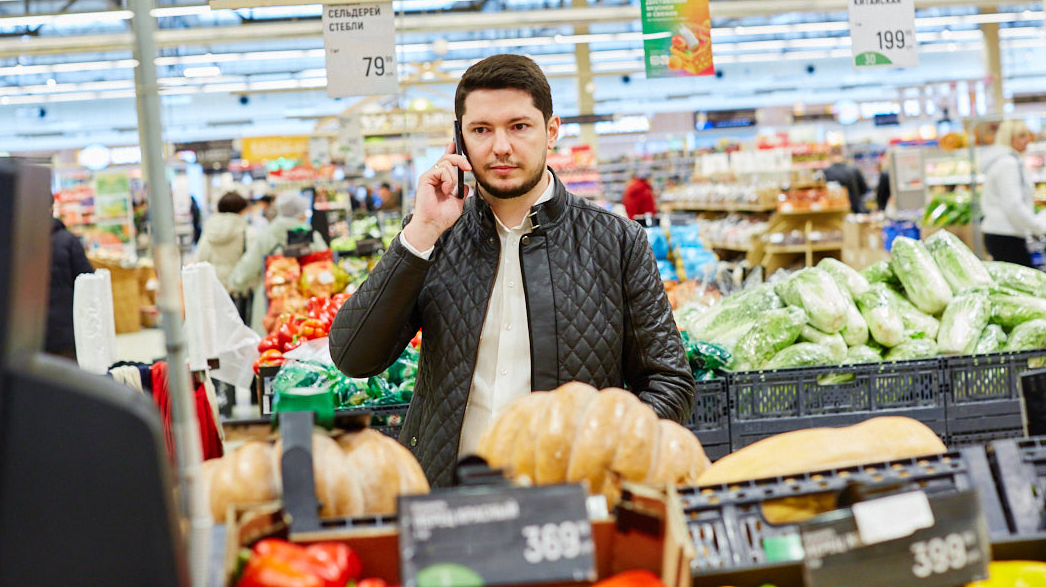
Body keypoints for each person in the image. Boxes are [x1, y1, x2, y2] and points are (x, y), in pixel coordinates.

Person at [329, 54, 695, 487]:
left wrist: (604, 455)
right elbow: (354, 356)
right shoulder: (436, 236)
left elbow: (670, 381)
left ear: (551, 131)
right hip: (447, 500)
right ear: (459, 141)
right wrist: (422, 231)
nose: (500, 146)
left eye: (519, 126)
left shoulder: (617, 242)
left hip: (566, 504)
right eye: (481, 130)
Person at [228, 190, 326, 334]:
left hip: (271, 303)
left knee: (272, 349)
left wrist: (235, 284)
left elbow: (248, 267)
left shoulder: (267, 235)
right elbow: (326, 265)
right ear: (301, 212)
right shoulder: (311, 235)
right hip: (306, 303)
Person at [980, 120, 1046, 266]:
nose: (1027, 140)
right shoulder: (1008, 164)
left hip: (1001, 234)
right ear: (1009, 138)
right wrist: (1039, 227)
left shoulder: (1004, 162)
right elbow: (1013, 205)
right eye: (1021, 136)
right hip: (1006, 236)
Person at [47, 202, 95, 360]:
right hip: (67, 329)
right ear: (52, 208)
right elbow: (88, 281)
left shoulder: (18, 243)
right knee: (67, 380)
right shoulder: (69, 241)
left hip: (30, 334)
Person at [195, 191, 251, 301]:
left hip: (213, 287)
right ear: (241, 211)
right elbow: (250, 262)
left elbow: (201, 258)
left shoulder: (209, 230)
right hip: (237, 289)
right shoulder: (246, 232)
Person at [823, 146, 869, 214]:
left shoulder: (825, 172)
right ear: (843, 155)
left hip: (834, 211)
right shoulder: (854, 170)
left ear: (830, 156)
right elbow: (864, 190)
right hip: (855, 209)